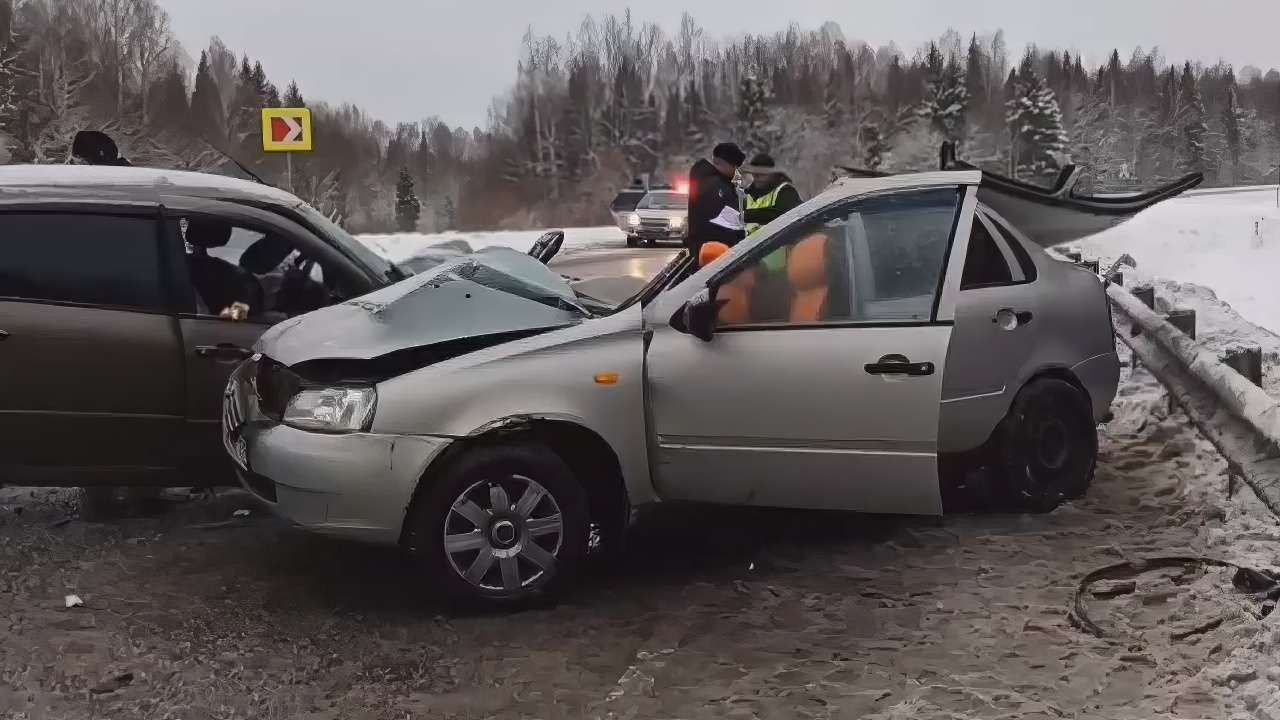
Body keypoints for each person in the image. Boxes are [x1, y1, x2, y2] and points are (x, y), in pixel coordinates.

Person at [686, 142, 746, 254]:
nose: (736, 172)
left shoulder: (707, 181)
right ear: (725, 163)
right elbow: (723, 223)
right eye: (735, 167)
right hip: (716, 251)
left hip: (708, 249)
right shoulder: (716, 186)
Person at [742, 153, 802, 236]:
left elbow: (783, 215)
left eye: (762, 174)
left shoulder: (785, 191)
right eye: (755, 174)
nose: (757, 178)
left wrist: (745, 215)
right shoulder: (748, 196)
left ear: (772, 174)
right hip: (754, 248)